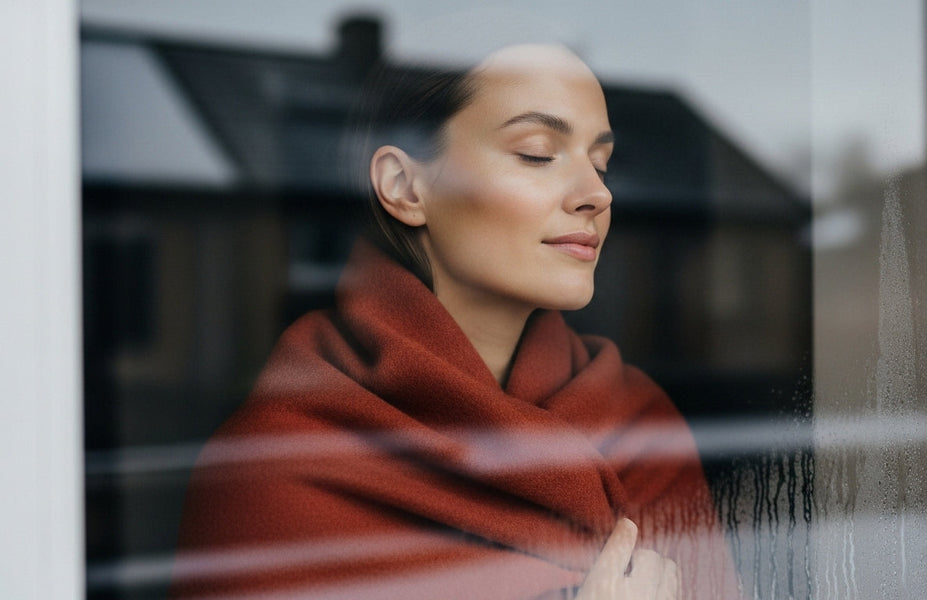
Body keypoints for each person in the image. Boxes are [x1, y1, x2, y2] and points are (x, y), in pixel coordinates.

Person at [170, 43, 738, 600]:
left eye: (600, 163)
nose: (597, 194)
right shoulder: (275, 467)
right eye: (538, 153)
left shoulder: (639, 427)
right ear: (403, 186)